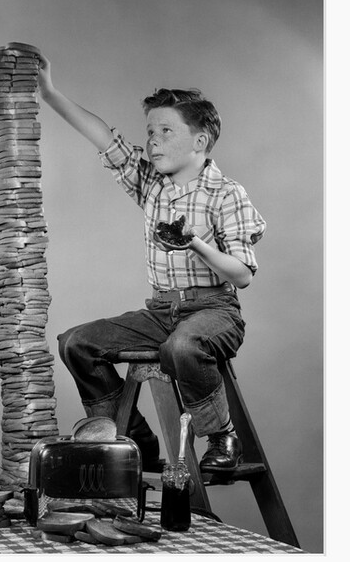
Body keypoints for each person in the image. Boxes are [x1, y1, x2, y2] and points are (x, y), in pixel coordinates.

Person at [37, 52, 266, 473]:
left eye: (165, 131)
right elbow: (104, 137)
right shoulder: (152, 186)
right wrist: (50, 93)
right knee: (76, 343)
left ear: (200, 141)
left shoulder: (227, 193)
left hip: (214, 311)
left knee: (181, 347)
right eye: (150, 131)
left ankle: (221, 435)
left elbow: (242, 276)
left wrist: (195, 242)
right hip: (161, 310)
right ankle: (134, 440)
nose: (153, 140)